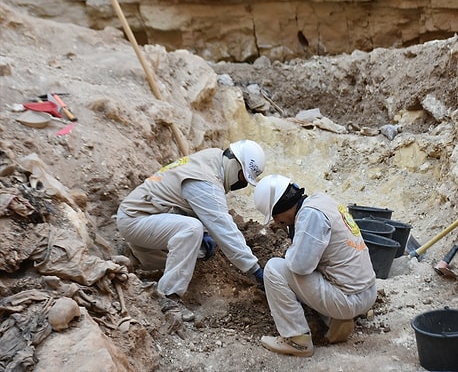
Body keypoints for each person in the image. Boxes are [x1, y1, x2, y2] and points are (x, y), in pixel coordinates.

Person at [116, 139, 267, 298]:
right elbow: (224, 229)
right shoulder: (205, 181)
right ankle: (168, 295)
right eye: (243, 178)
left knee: (199, 245)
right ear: (235, 165)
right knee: (192, 230)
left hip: (147, 214)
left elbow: (199, 206)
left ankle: (137, 255)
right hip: (135, 219)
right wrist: (254, 269)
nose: (242, 184)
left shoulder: (213, 157)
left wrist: (206, 232)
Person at [253, 174, 377, 357]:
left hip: (349, 299)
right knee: (319, 265)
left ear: (280, 206)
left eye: (275, 215)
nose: (277, 222)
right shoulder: (321, 201)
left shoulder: (310, 216)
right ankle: (334, 320)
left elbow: (299, 266)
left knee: (274, 269)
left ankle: (297, 340)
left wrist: (290, 251)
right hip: (367, 291)